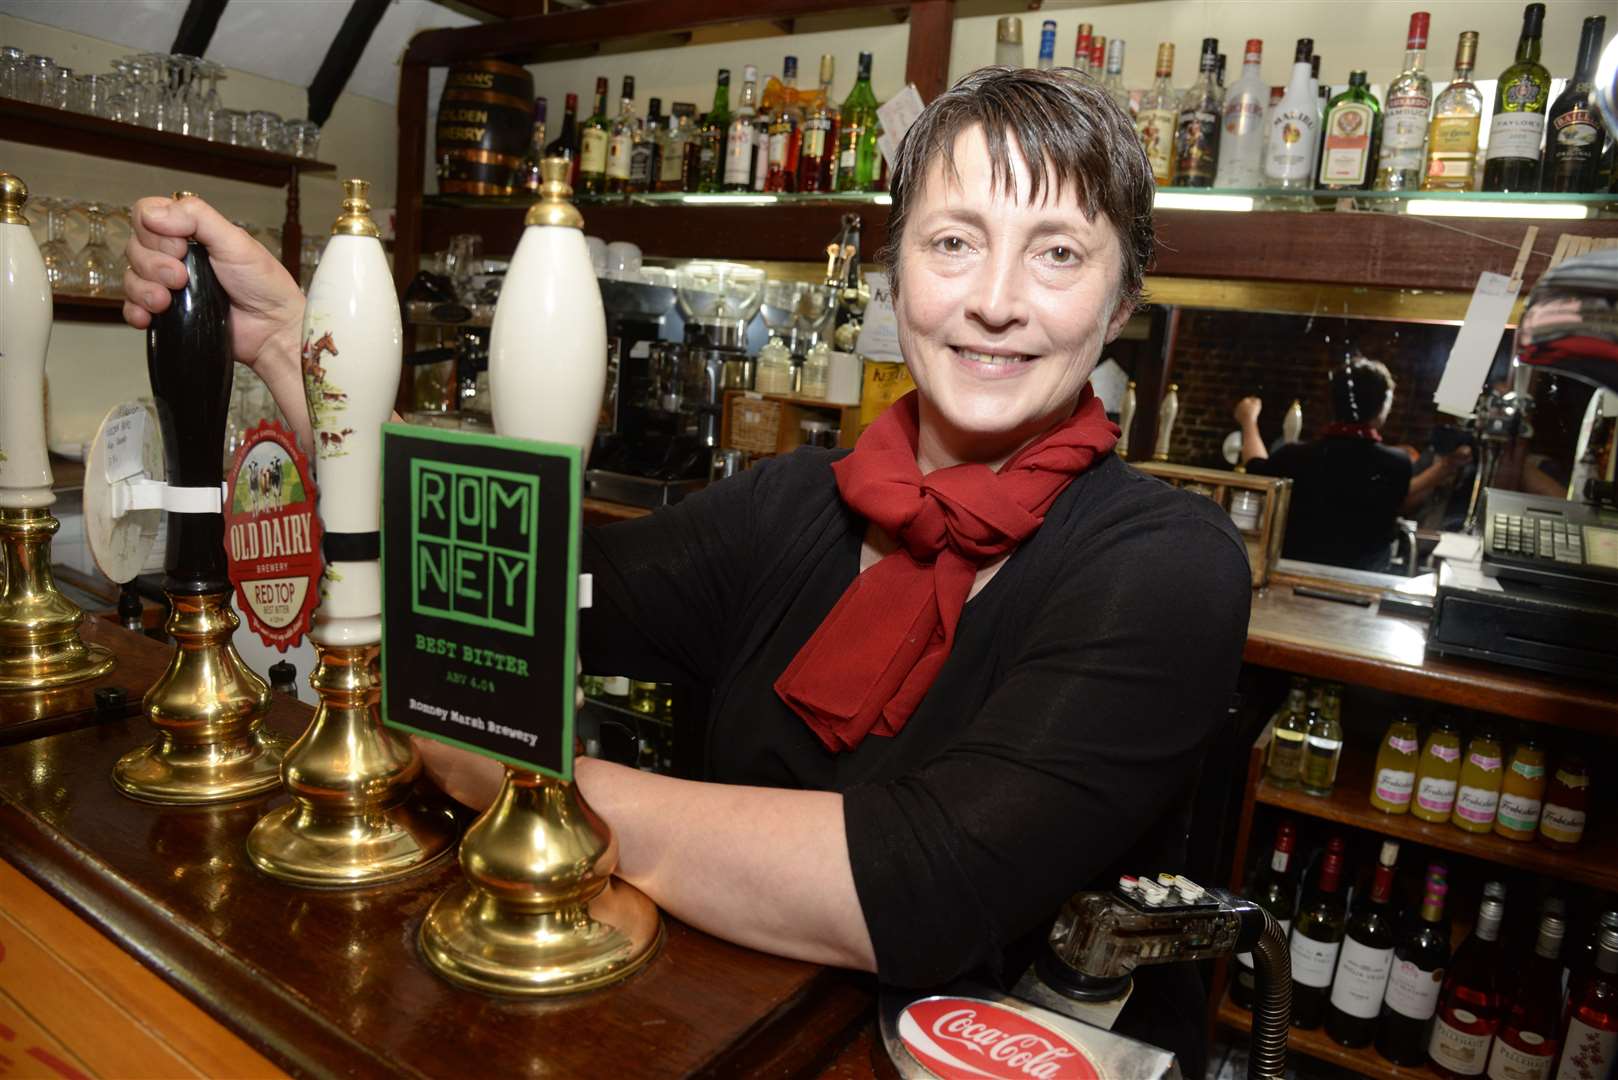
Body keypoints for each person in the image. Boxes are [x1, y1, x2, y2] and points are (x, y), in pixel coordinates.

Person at [124, 67, 1250, 1074]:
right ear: (892, 267)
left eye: (1056, 253)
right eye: (953, 240)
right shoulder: (795, 504)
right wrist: (291, 349)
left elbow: (926, 883)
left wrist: (527, 782)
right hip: (741, 1030)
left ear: (1119, 306)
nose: (995, 299)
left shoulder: (1164, 568)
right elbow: (497, 579)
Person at [1234, 357, 1419, 572]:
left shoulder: (1294, 456)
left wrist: (1248, 420)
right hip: (1363, 587)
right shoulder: (1397, 464)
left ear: (1332, 402)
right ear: (1383, 407)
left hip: (1295, 577)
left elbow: (1256, 468)